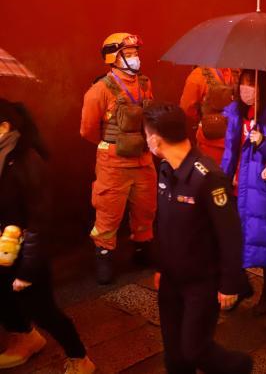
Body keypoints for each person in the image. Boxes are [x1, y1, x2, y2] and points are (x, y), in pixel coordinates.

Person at [144, 103, 252, 374]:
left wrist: (230, 284)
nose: (146, 141)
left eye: (146, 135)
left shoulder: (208, 177)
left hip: (200, 282)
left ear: (156, 139)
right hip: (171, 279)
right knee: (174, 353)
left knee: (194, 348)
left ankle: (238, 366)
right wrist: (160, 265)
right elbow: (163, 223)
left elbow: (230, 234)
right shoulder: (166, 169)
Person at [0, 99, 95, 373]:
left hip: (28, 255)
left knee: (44, 310)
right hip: (6, 251)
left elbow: (39, 223)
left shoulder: (27, 163)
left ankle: (80, 358)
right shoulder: (3, 157)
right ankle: (25, 337)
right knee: (4, 298)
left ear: (4, 127)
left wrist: (27, 270)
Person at [80, 33, 156, 284]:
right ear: (114, 57)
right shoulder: (99, 90)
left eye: (136, 53)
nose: (136, 58)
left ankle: (142, 248)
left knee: (146, 207)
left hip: (143, 159)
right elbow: (88, 130)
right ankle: (103, 254)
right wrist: (112, 144)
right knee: (108, 212)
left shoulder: (145, 84)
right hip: (113, 162)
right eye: (130, 53)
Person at [221, 70, 266, 315]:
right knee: (234, 237)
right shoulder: (235, 112)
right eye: (242, 84)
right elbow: (230, 151)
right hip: (235, 186)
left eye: (251, 84)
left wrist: (263, 141)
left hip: (262, 187)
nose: (245, 90)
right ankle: (240, 284)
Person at [179, 66, 239, 164]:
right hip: (235, 140)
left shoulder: (198, 75)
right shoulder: (237, 72)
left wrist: (202, 117)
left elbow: (186, 108)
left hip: (210, 141)